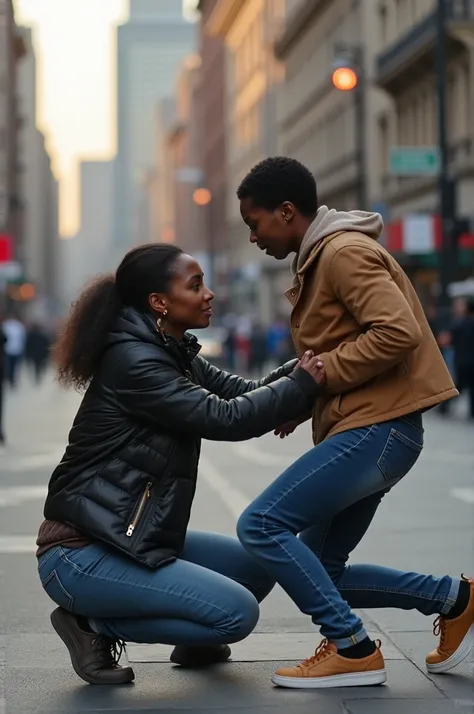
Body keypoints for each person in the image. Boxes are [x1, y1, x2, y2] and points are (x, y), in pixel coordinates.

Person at [36, 243, 324, 686]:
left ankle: (195, 632)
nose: (208, 294)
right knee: (237, 614)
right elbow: (224, 417)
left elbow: (241, 392)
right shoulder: (135, 362)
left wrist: (305, 368)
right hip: (81, 554)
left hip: (131, 537)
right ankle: (89, 626)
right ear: (159, 302)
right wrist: (301, 384)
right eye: (195, 286)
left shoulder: (172, 350)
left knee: (260, 565)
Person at [235, 156, 473, 689]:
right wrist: (304, 399)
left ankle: (353, 647)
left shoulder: (341, 253)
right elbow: (346, 344)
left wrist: (320, 381)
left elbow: (397, 332)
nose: (252, 237)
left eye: (255, 223)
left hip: (377, 430)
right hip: (372, 429)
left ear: (287, 211)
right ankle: (455, 600)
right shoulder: (322, 257)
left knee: (261, 524)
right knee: (324, 569)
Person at [2, 313, 26, 388]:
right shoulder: (6, 325)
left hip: (14, 350)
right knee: (11, 366)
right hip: (10, 350)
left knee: (13, 366)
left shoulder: (18, 326)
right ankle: (10, 379)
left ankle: (12, 379)